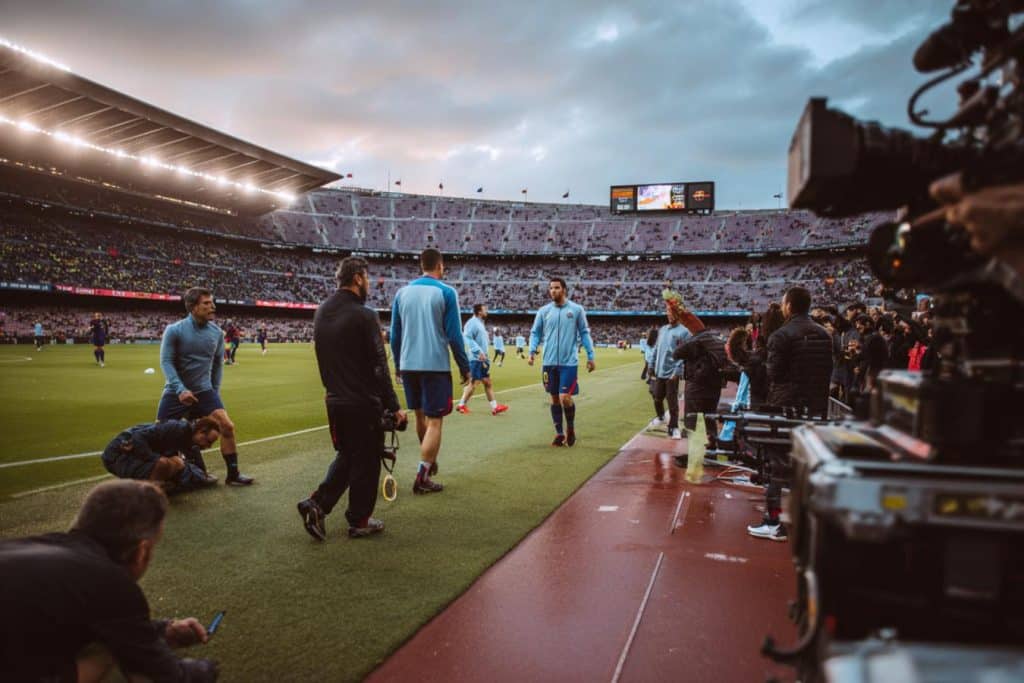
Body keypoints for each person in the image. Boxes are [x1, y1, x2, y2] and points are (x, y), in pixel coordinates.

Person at [0, 480, 219, 682]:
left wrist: (162, 630)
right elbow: (170, 677)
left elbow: (104, 621)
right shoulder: (110, 580)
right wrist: (206, 668)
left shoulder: (40, 546)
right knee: (106, 651)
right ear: (141, 551)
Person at [298, 257, 406, 540]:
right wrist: (394, 407)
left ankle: (317, 504)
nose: (369, 283)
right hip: (363, 402)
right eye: (367, 278)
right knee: (367, 461)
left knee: (349, 455)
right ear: (358, 278)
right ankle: (360, 520)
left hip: (334, 400)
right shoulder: (365, 315)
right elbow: (379, 366)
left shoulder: (321, 311)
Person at [748, 286, 833, 542]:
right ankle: (802, 522)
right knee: (803, 466)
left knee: (778, 466)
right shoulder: (824, 334)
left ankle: (773, 521)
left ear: (788, 306)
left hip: (785, 407)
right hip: (816, 407)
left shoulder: (781, 335)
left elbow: (773, 375)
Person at [390, 248, 470, 494]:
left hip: (408, 364)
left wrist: (397, 366)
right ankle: (423, 474)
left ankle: (428, 461)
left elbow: (395, 335)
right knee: (435, 421)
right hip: (434, 364)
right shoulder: (446, 292)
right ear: (440, 265)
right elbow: (455, 335)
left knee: (420, 415)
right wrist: (464, 367)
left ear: (421, 265)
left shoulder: (401, 293)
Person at [157, 287, 254, 486]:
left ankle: (233, 475)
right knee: (161, 436)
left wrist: (214, 393)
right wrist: (180, 389)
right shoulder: (174, 330)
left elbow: (217, 365)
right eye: (206, 303)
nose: (213, 306)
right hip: (175, 392)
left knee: (226, 426)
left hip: (205, 391)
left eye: (212, 302)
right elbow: (166, 361)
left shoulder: (217, 333)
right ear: (193, 307)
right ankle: (166, 475)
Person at [528, 277, 596, 447]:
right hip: (548, 362)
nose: (553, 291)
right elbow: (535, 332)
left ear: (564, 289)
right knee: (554, 398)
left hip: (568, 363)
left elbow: (584, 333)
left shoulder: (576, 310)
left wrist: (590, 355)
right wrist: (532, 351)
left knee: (565, 397)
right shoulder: (543, 311)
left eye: (557, 288)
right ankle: (559, 433)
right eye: (551, 288)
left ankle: (570, 429)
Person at [101, 418, 221, 491]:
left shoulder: (189, 437)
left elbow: (194, 454)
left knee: (178, 463)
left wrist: (203, 475)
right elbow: (138, 436)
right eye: (208, 441)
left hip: (129, 457)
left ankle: (150, 484)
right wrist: (154, 458)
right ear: (201, 431)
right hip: (115, 457)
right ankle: (149, 492)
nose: (208, 446)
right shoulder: (176, 428)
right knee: (164, 463)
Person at [647, 296, 691, 439]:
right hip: (659, 372)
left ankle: (674, 427)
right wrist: (651, 365)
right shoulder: (663, 330)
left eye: (672, 312)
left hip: (672, 373)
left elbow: (684, 355)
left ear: (678, 313)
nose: (670, 314)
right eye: (668, 311)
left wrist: (677, 372)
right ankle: (660, 417)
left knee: (672, 403)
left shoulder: (684, 332)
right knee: (657, 398)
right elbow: (656, 349)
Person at [456, 304, 509, 416]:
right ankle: (461, 405)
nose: (487, 312)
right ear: (479, 312)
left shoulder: (480, 324)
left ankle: (495, 407)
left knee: (487, 382)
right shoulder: (472, 323)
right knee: (474, 383)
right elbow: (467, 337)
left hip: (483, 359)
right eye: (485, 310)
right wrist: (477, 351)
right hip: (476, 359)